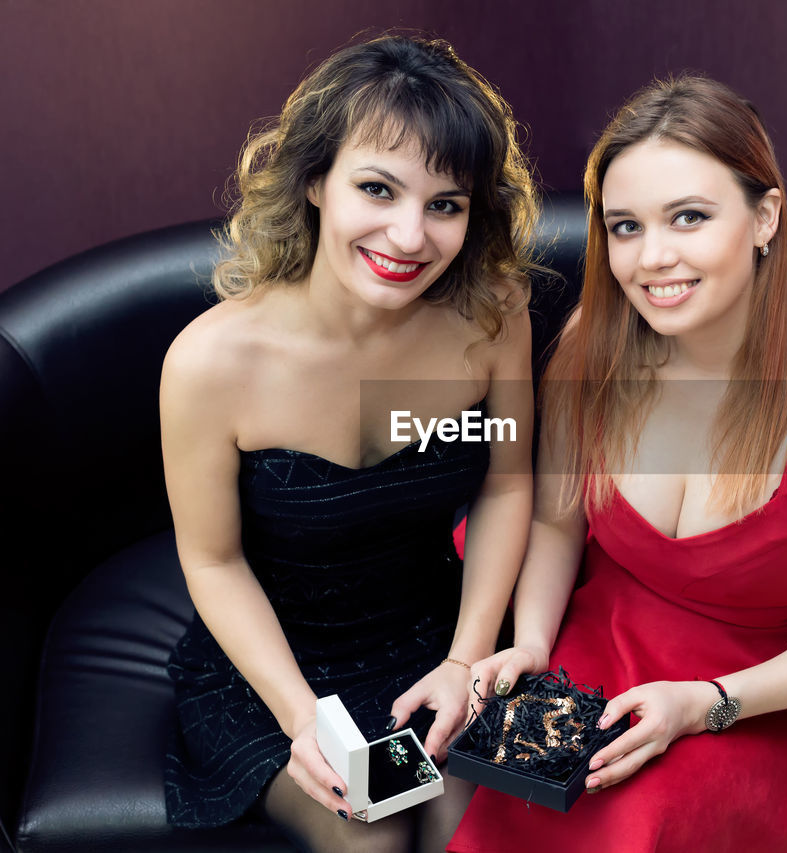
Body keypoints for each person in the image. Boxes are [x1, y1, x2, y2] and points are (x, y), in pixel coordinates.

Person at [450, 76, 787, 852]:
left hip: (776, 691)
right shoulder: (594, 346)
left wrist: (707, 702)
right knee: (492, 798)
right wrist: (531, 644)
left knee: (646, 819)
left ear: (764, 217)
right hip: (606, 644)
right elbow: (556, 521)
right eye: (625, 226)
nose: (653, 258)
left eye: (688, 216)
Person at [161, 35, 536, 853]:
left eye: (447, 203)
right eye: (378, 188)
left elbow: (508, 483)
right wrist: (304, 720)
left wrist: (467, 662)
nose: (409, 237)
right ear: (313, 181)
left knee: (471, 832)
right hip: (272, 672)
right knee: (373, 839)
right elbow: (214, 562)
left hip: (433, 639)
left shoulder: (493, 312)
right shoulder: (209, 362)